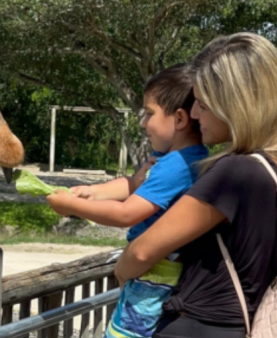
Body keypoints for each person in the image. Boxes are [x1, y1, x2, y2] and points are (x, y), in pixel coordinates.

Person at [114, 32, 277, 338]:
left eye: (203, 104)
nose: (193, 114)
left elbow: (141, 253)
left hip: (197, 326)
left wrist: (121, 272)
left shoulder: (235, 172)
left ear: (236, 105)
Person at [46, 63, 208, 338]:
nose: (143, 123)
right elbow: (134, 185)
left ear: (179, 119)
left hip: (155, 273)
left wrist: (72, 207)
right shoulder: (179, 158)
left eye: (149, 114)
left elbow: (127, 214)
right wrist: (92, 191)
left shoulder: (176, 165)